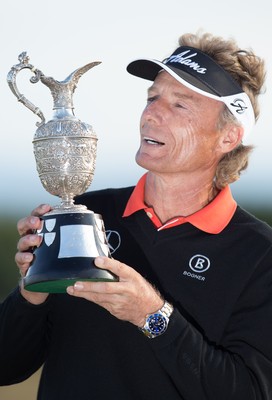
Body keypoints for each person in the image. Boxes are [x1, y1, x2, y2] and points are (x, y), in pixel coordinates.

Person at [0, 31, 271, 400]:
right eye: (153, 97)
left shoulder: (259, 254)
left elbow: (249, 392)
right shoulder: (87, 215)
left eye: (181, 105)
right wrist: (31, 290)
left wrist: (153, 316)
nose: (152, 114)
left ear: (227, 137)